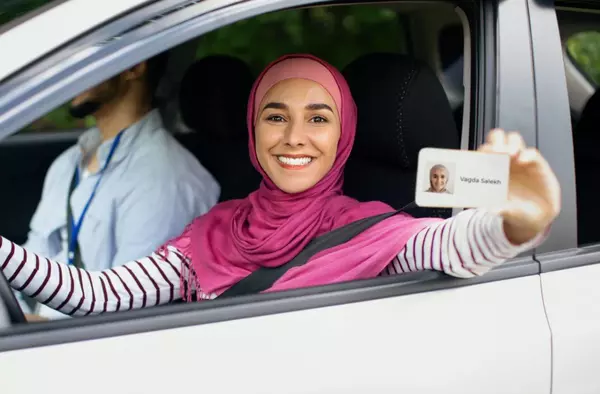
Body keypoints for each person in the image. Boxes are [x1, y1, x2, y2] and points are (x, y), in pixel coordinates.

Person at [0, 54, 560, 316]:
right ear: (253, 127)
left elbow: (451, 245)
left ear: (344, 134)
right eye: (276, 116)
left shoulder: (369, 228)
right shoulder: (217, 229)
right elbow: (97, 295)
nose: (295, 137)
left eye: (319, 118)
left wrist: (519, 223)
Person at [19, 53, 220, 319]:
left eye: (87, 58)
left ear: (134, 65)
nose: (71, 72)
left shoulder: (164, 180)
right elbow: (31, 264)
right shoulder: (69, 163)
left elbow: (125, 320)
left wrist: (24, 328)